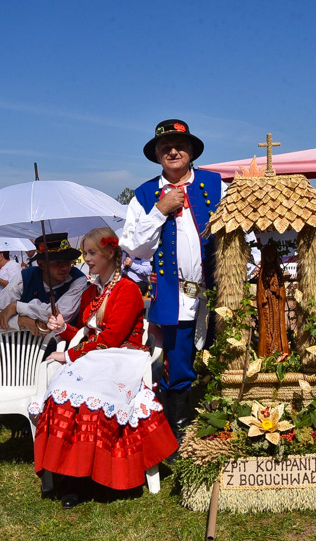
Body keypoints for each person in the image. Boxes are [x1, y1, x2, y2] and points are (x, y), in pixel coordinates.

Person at [30, 228, 178, 508]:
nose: (86, 259)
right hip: (97, 358)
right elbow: (86, 332)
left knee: (87, 392)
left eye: (91, 253)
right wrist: (64, 329)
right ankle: (70, 475)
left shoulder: (127, 290)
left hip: (122, 357)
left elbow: (111, 338)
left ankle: (91, 476)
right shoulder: (93, 292)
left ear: (110, 253)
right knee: (62, 391)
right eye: (85, 253)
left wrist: (69, 355)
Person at [120, 119, 222, 443]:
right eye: (166, 148)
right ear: (158, 155)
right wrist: (160, 210)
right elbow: (135, 246)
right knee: (177, 366)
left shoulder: (217, 184)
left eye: (179, 146)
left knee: (228, 356)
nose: (173, 151)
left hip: (218, 291)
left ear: (191, 151)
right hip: (175, 294)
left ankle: (224, 424)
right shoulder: (145, 195)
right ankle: (177, 431)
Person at [0, 233, 86, 332]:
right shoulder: (25, 277)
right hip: (17, 346)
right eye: (57, 262)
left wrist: (18, 307)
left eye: (68, 261)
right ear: (41, 264)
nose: (64, 267)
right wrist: (20, 321)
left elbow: (60, 316)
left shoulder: (78, 279)